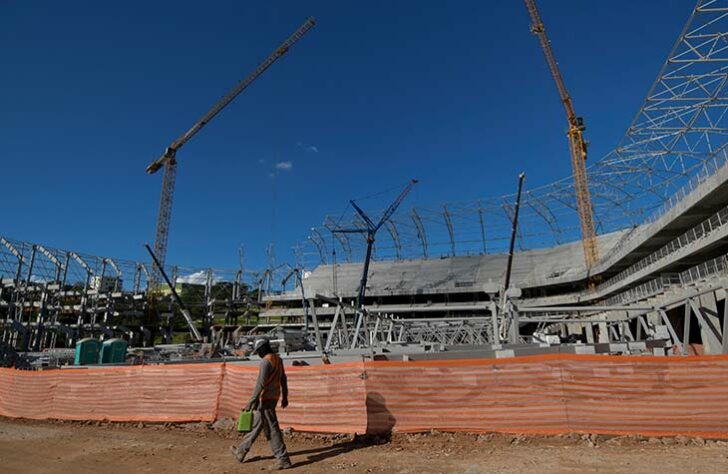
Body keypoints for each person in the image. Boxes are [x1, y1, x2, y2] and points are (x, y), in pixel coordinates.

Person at [230, 337, 292, 470]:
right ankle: (241, 451)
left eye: (258, 351)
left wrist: (251, 401)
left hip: (266, 399)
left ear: (263, 349)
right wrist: (285, 396)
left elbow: (260, 384)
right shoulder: (278, 359)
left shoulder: (265, 362)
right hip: (274, 397)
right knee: (258, 425)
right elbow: (283, 379)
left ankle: (283, 459)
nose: (257, 353)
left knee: (272, 429)